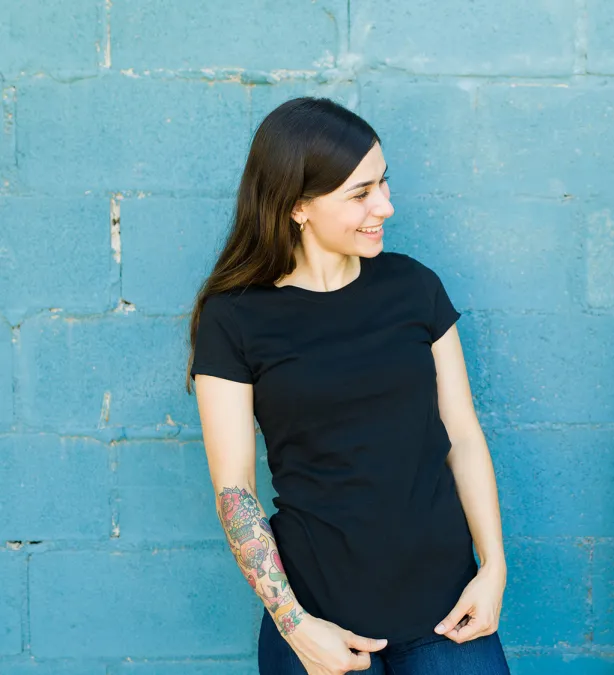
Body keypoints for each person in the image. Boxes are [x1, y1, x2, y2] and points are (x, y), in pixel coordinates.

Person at [187, 98, 510, 675]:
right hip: (319, 620)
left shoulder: (415, 287)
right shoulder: (232, 318)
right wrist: (296, 627)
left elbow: (461, 431)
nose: (383, 206)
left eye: (383, 184)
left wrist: (493, 569)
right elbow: (235, 491)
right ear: (297, 206)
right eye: (359, 194)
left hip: (446, 615)